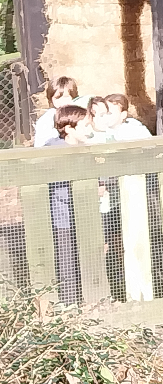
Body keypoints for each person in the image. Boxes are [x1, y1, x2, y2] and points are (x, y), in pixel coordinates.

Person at [44, 105, 93, 305]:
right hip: (64, 217)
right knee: (67, 259)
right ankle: (69, 303)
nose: (90, 130)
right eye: (85, 125)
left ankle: (89, 298)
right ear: (70, 128)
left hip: (86, 214)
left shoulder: (89, 147)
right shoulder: (53, 149)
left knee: (88, 256)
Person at [34, 76, 78, 147]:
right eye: (58, 98)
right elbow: (45, 143)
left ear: (73, 97)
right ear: (51, 99)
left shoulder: (78, 114)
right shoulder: (48, 118)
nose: (63, 101)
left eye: (66, 97)